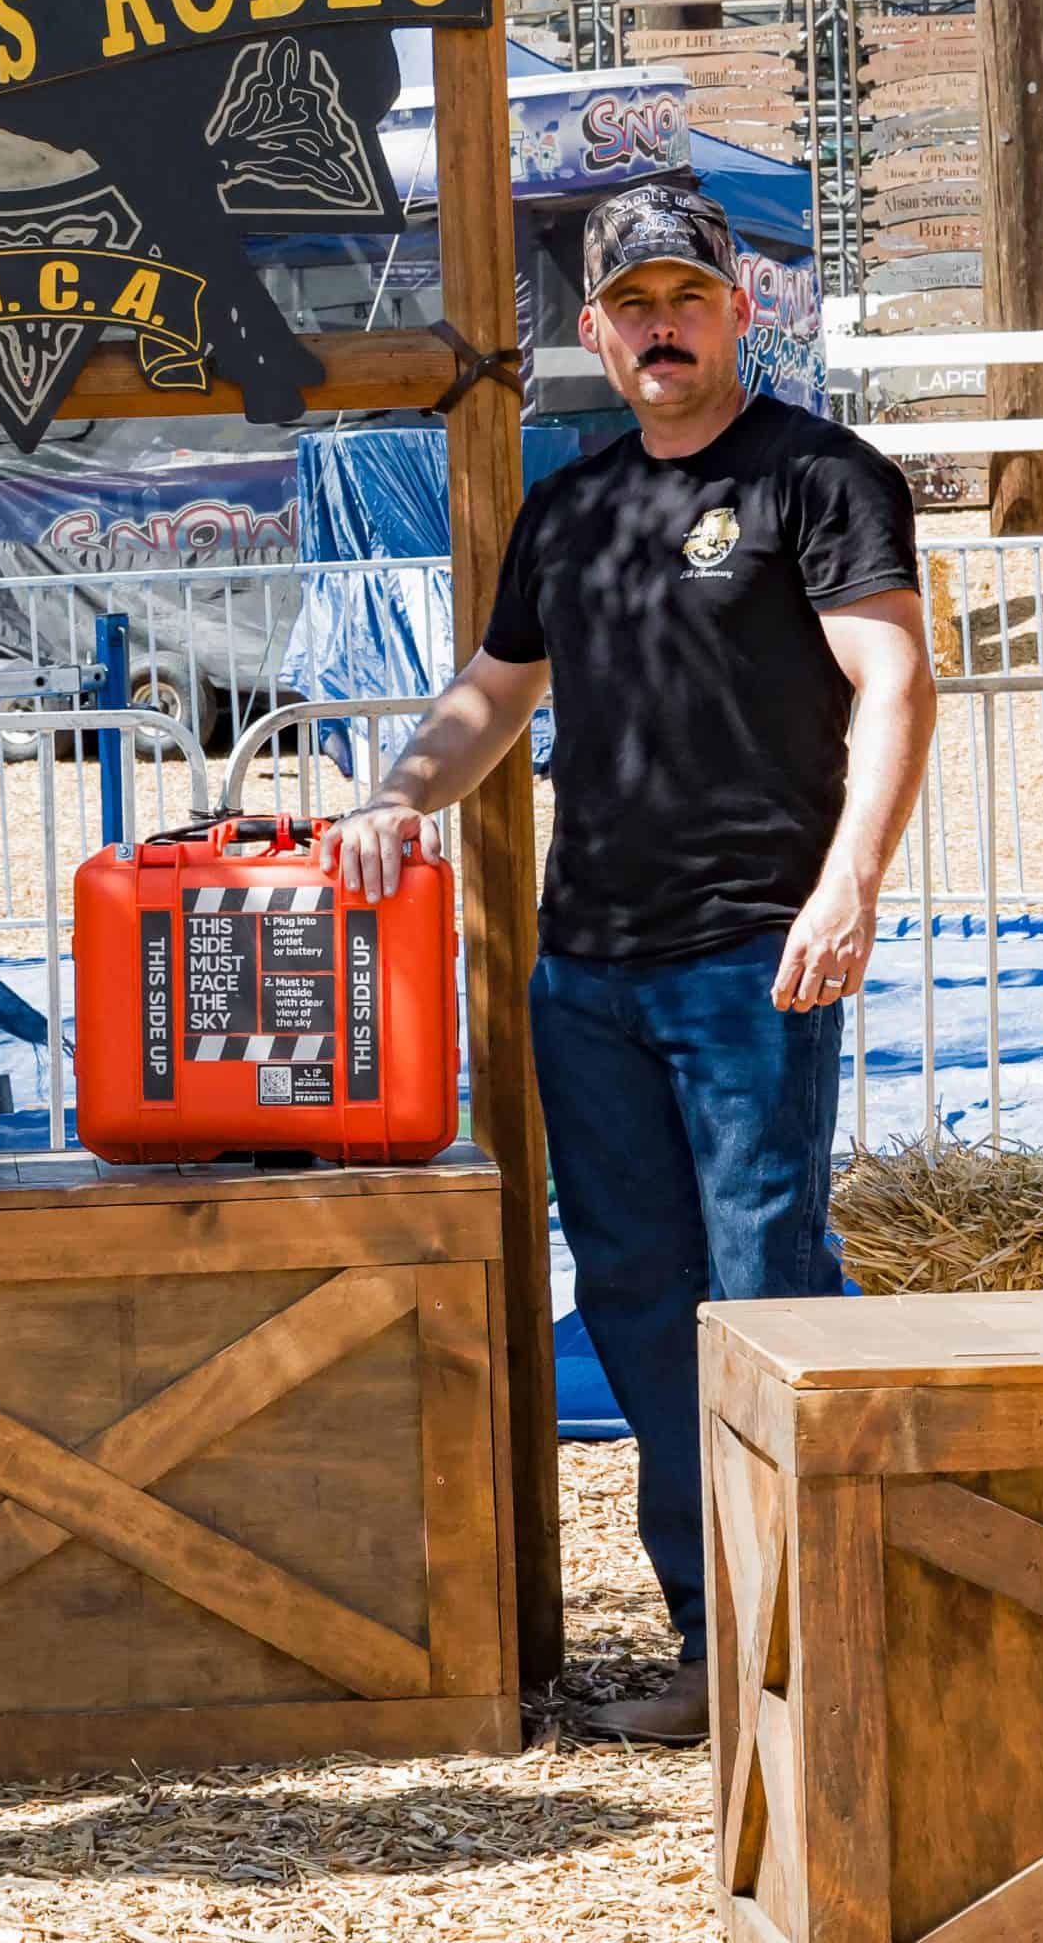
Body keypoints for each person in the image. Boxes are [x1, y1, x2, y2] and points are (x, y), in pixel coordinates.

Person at [319, 182, 935, 1746]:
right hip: (583, 970)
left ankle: (841, 1639)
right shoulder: (572, 504)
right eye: (631, 305)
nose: (661, 327)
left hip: (750, 959)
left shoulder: (819, 477)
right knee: (642, 1301)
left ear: (739, 311)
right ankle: (713, 1644)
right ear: (588, 331)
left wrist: (846, 885)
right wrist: (394, 794)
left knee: (771, 1291)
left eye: (688, 298)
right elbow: (490, 692)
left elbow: (893, 685)